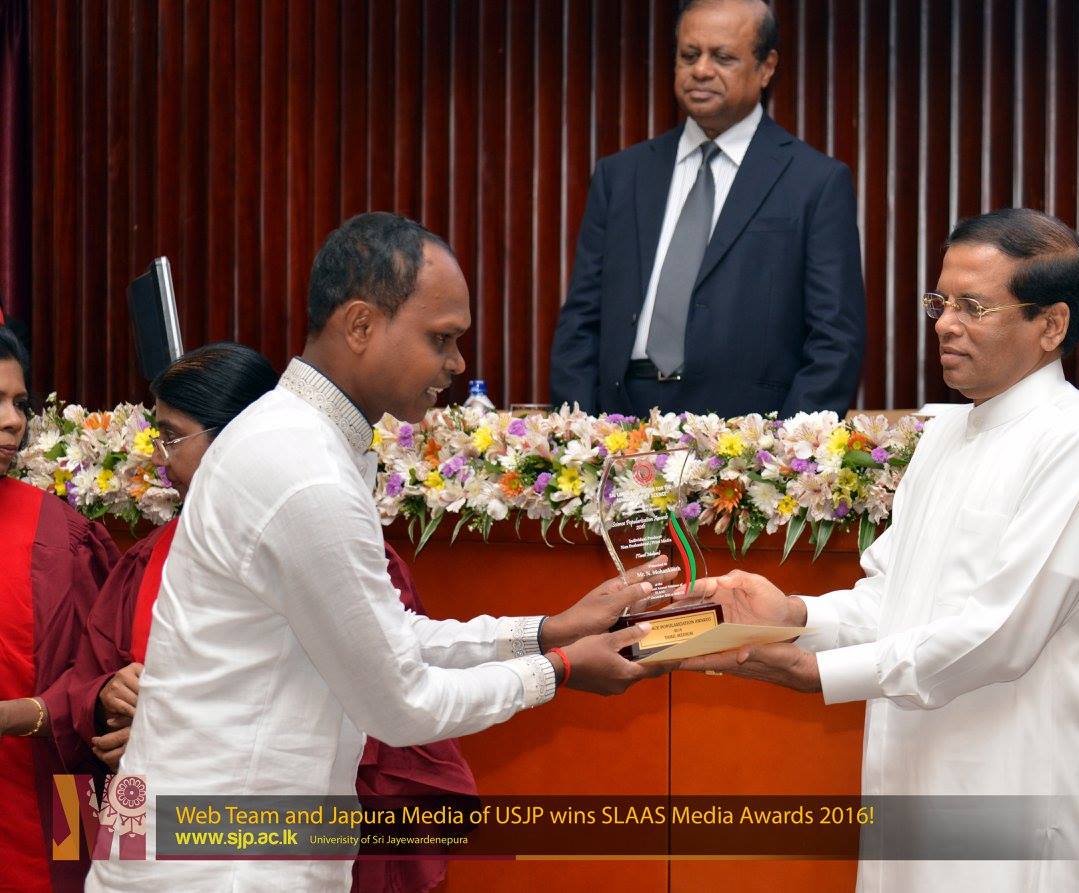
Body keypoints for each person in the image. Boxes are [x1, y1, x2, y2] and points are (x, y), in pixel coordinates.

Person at [88, 213, 669, 891]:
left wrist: (546, 632)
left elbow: (387, 637)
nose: (456, 364)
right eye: (440, 338)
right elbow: (402, 703)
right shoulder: (302, 467)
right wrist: (560, 671)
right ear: (361, 325)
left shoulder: (304, 438)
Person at [684, 209, 1079, 891]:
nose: (945, 324)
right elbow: (892, 597)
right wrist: (796, 616)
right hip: (906, 778)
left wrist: (819, 674)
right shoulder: (945, 433)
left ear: (1050, 325)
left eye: (973, 307)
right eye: (940, 302)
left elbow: (1002, 633)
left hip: (1010, 789)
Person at [48, 342, 479, 893]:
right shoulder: (148, 558)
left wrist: (180, 731)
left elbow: (394, 708)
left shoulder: (350, 556)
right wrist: (105, 701)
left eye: (173, 438)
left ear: (239, 441)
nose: (161, 459)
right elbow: (87, 682)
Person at [549, 0, 865, 418]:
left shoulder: (815, 181)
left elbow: (835, 337)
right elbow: (582, 319)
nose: (700, 70)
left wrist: (786, 446)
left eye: (722, 57)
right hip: (620, 421)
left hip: (750, 432)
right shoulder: (621, 175)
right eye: (689, 55)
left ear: (767, 67)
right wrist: (578, 428)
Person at [0, 324, 120, 892]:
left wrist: (19, 715)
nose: (13, 421)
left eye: (19, 403)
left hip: (44, 799)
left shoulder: (56, 533)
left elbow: (98, 676)